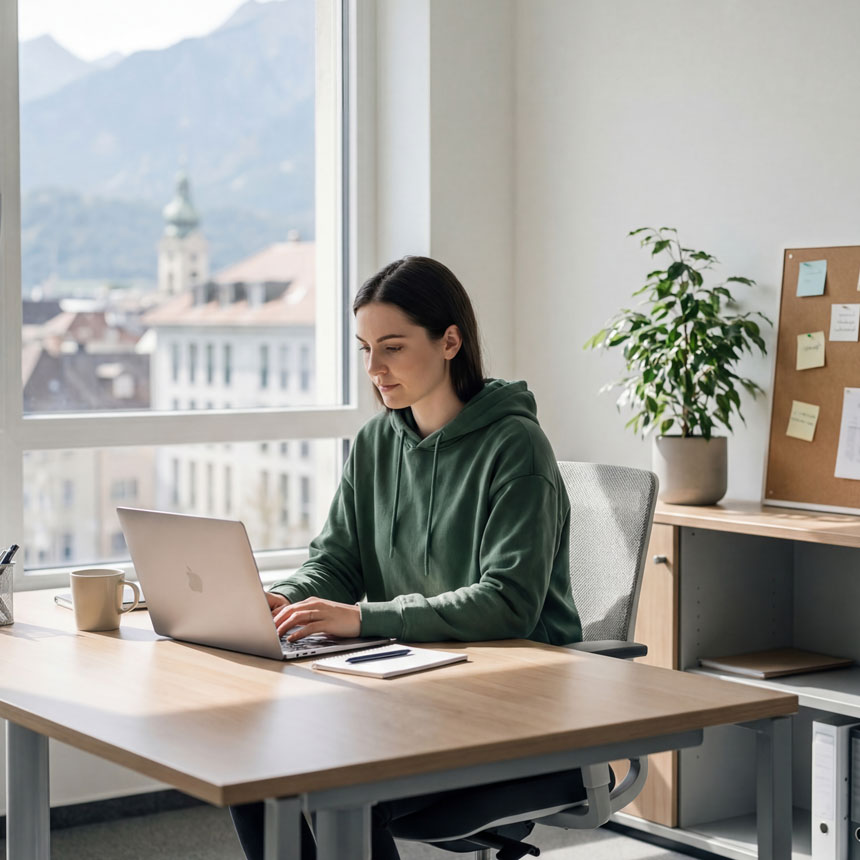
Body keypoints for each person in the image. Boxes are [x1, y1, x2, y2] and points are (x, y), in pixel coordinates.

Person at [230, 255, 584, 860]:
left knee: (342, 786)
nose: (374, 368)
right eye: (365, 348)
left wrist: (365, 619)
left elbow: (510, 605)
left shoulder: (515, 447)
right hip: (415, 693)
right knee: (258, 776)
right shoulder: (376, 442)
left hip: (516, 708)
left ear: (451, 341)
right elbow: (337, 560)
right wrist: (288, 598)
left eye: (391, 347)